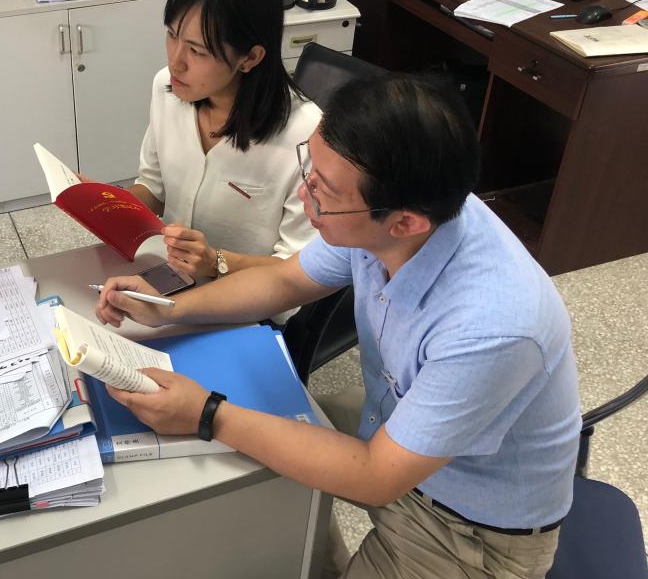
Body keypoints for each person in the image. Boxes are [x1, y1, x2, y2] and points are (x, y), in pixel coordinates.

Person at [96, 73, 581, 579]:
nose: (304, 196)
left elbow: (376, 476)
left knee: (234, 435)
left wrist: (207, 414)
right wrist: (169, 309)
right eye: (310, 168)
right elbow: (284, 280)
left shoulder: (493, 328)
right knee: (242, 468)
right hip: (389, 428)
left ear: (404, 222)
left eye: (322, 191)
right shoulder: (392, 211)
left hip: (463, 528)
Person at [128, 0, 321, 282]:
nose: (176, 62)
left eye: (197, 51)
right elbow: (153, 189)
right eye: (172, 35)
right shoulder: (166, 88)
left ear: (250, 58)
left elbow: (303, 268)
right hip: (170, 278)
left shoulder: (306, 135)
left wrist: (217, 262)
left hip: (251, 299)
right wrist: (105, 206)